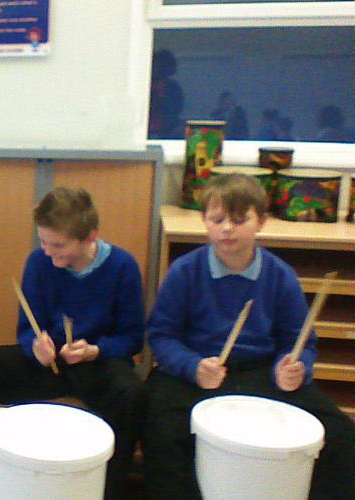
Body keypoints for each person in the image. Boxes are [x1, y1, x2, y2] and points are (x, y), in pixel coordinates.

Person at [143, 174, 355, 500]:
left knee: (339, 433)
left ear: (261, 222)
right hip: (197, 370)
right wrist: (193, 366)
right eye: (217, 220)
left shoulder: (279, 275)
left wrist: (294, 368)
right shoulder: (185, 271)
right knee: (161, 426)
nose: (227, 228)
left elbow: (299, 339)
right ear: (205, 222)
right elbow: (162, 335)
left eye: (240, 220)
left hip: (262, 371)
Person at [0, 187, 146, 499]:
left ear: (89, 237)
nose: (48, 251)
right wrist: (35, 346)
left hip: (98, 363)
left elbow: (132, 339)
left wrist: (95, 350)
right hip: (48, 362)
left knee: (131, 394)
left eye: (58, 245)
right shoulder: (39, 261)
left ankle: (108, 488)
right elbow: (27, 329)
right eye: (43, 241)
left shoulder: (122, 266)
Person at [149, 49, 185, 139]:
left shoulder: (173, 87)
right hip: (146, 130)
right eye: (157, 65)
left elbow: (177, 109)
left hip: (167, 131)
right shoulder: (144, 87)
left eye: (163, 66)